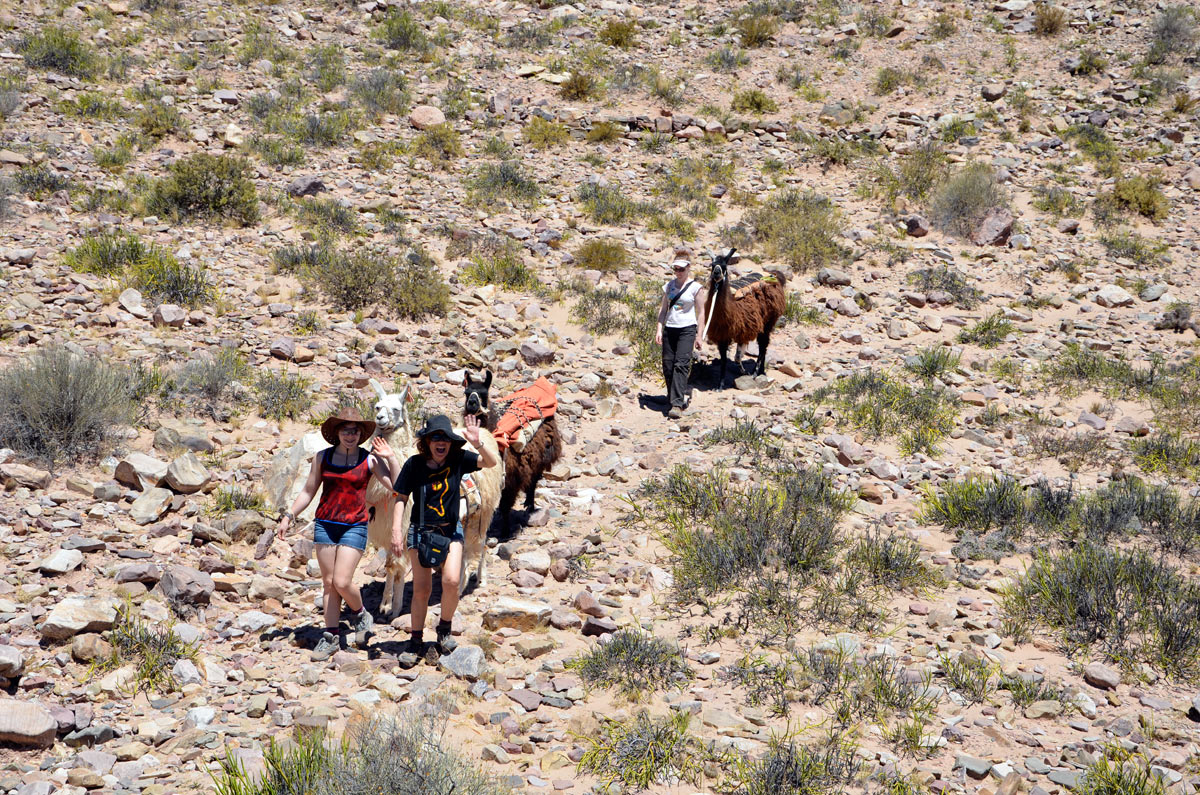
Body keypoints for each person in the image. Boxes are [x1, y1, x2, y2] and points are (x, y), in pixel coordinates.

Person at [276, 407, 399, 662]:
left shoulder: (370, 460)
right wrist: (289, 515)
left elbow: (397, 487)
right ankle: (330, 636)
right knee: (329, 583)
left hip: (354, 525)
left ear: (360, 434)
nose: (350, 435)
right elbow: (309, 491)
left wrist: (392, 458)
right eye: (346, 430)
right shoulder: (322, 458)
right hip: (325, 524)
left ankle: (361, 613)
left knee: (342, 581)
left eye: (355, 431)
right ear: (337, 432)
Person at [390, 413, 499, 666]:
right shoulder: (414, 465)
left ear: (451, 442)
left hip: (450, 530)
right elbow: (401, 497)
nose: (441, 443)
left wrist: (477, 442)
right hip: (420, 531)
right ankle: (415, 640)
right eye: (435, 437)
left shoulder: (459, 459)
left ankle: (444, 629)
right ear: (426, 441)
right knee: (422, 589)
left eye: (445, 438)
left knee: (451, 581)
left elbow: (491, 463)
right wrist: (397, 530)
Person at [655, 258, 706, 419]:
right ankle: (672, 397)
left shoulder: (695, 288)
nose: (678, 272)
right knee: (668, 364)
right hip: (670, 328)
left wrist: (699, 335)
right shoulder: (669, 286)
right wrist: (658, 329)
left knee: (681, 364)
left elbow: (701, 312)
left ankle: (677, 403)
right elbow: (663, 309)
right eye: (676, 269)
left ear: (688, 269)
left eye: (681, 269)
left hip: (687, 329)